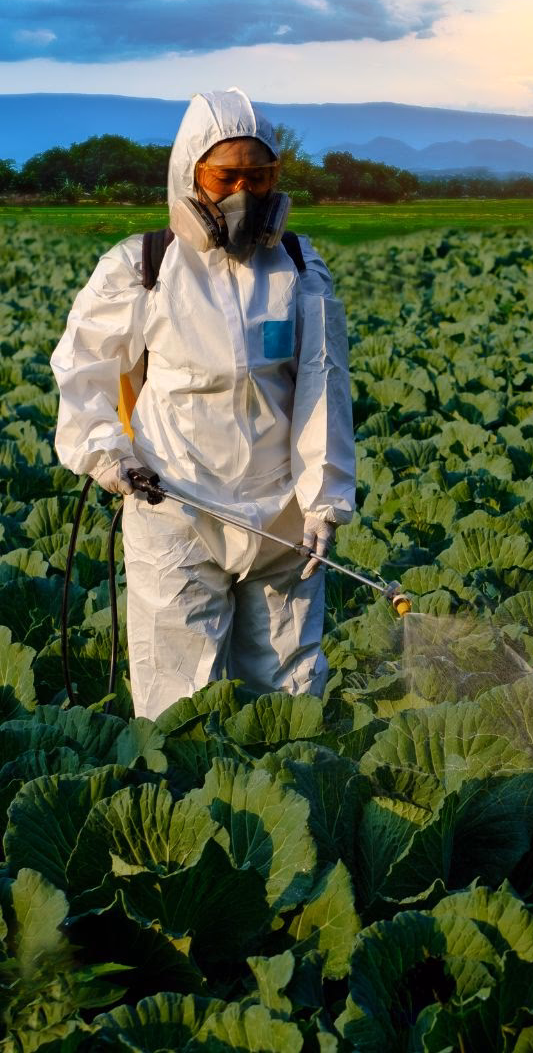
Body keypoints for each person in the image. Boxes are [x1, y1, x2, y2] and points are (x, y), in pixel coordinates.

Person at [49, 88, 355, 718]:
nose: (245, 191)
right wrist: (107, 454)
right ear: (192, 173)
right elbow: (83, 370)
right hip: (176, 505)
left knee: (288, 695)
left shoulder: (298, 266)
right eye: (227, 175)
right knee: (175, 697)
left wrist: (324, 498)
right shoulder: (143, 267)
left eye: (261, 175)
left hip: (280, 518)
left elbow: (323, 384)